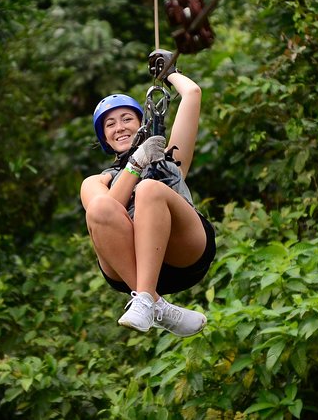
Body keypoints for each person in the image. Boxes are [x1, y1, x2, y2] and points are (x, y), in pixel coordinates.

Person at [80, 51, 216, 337]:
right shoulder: (97, 181)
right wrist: (137, 162)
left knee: (150, 188)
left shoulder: (167, 156)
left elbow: (192, 93)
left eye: (127, 118)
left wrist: (169, 73)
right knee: (98, 208)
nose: (120, 127)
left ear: (140, 122)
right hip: (128, 264)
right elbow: (106, 212)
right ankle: (152, 301)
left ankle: (147, 299)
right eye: (110, 124)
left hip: (183, 252)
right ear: (104, 138)